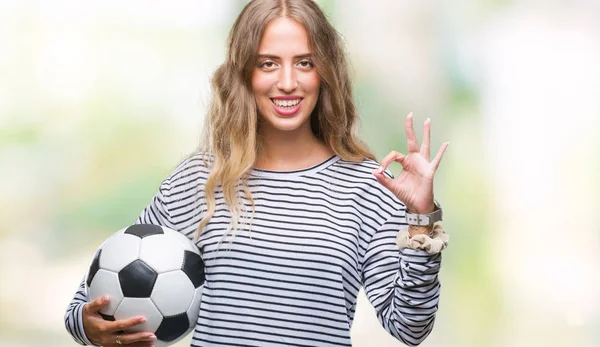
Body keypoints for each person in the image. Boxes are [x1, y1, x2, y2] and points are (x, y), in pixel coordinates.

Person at [64, 0, 450, 346]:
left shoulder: (368, 185)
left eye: (305, 62)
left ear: (325, 72)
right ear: (244, 74)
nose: (287, 82)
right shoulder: (199, 180)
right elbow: (85, 306)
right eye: (268, 63)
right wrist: (92, 328)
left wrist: (422, 219)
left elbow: (410, 327)